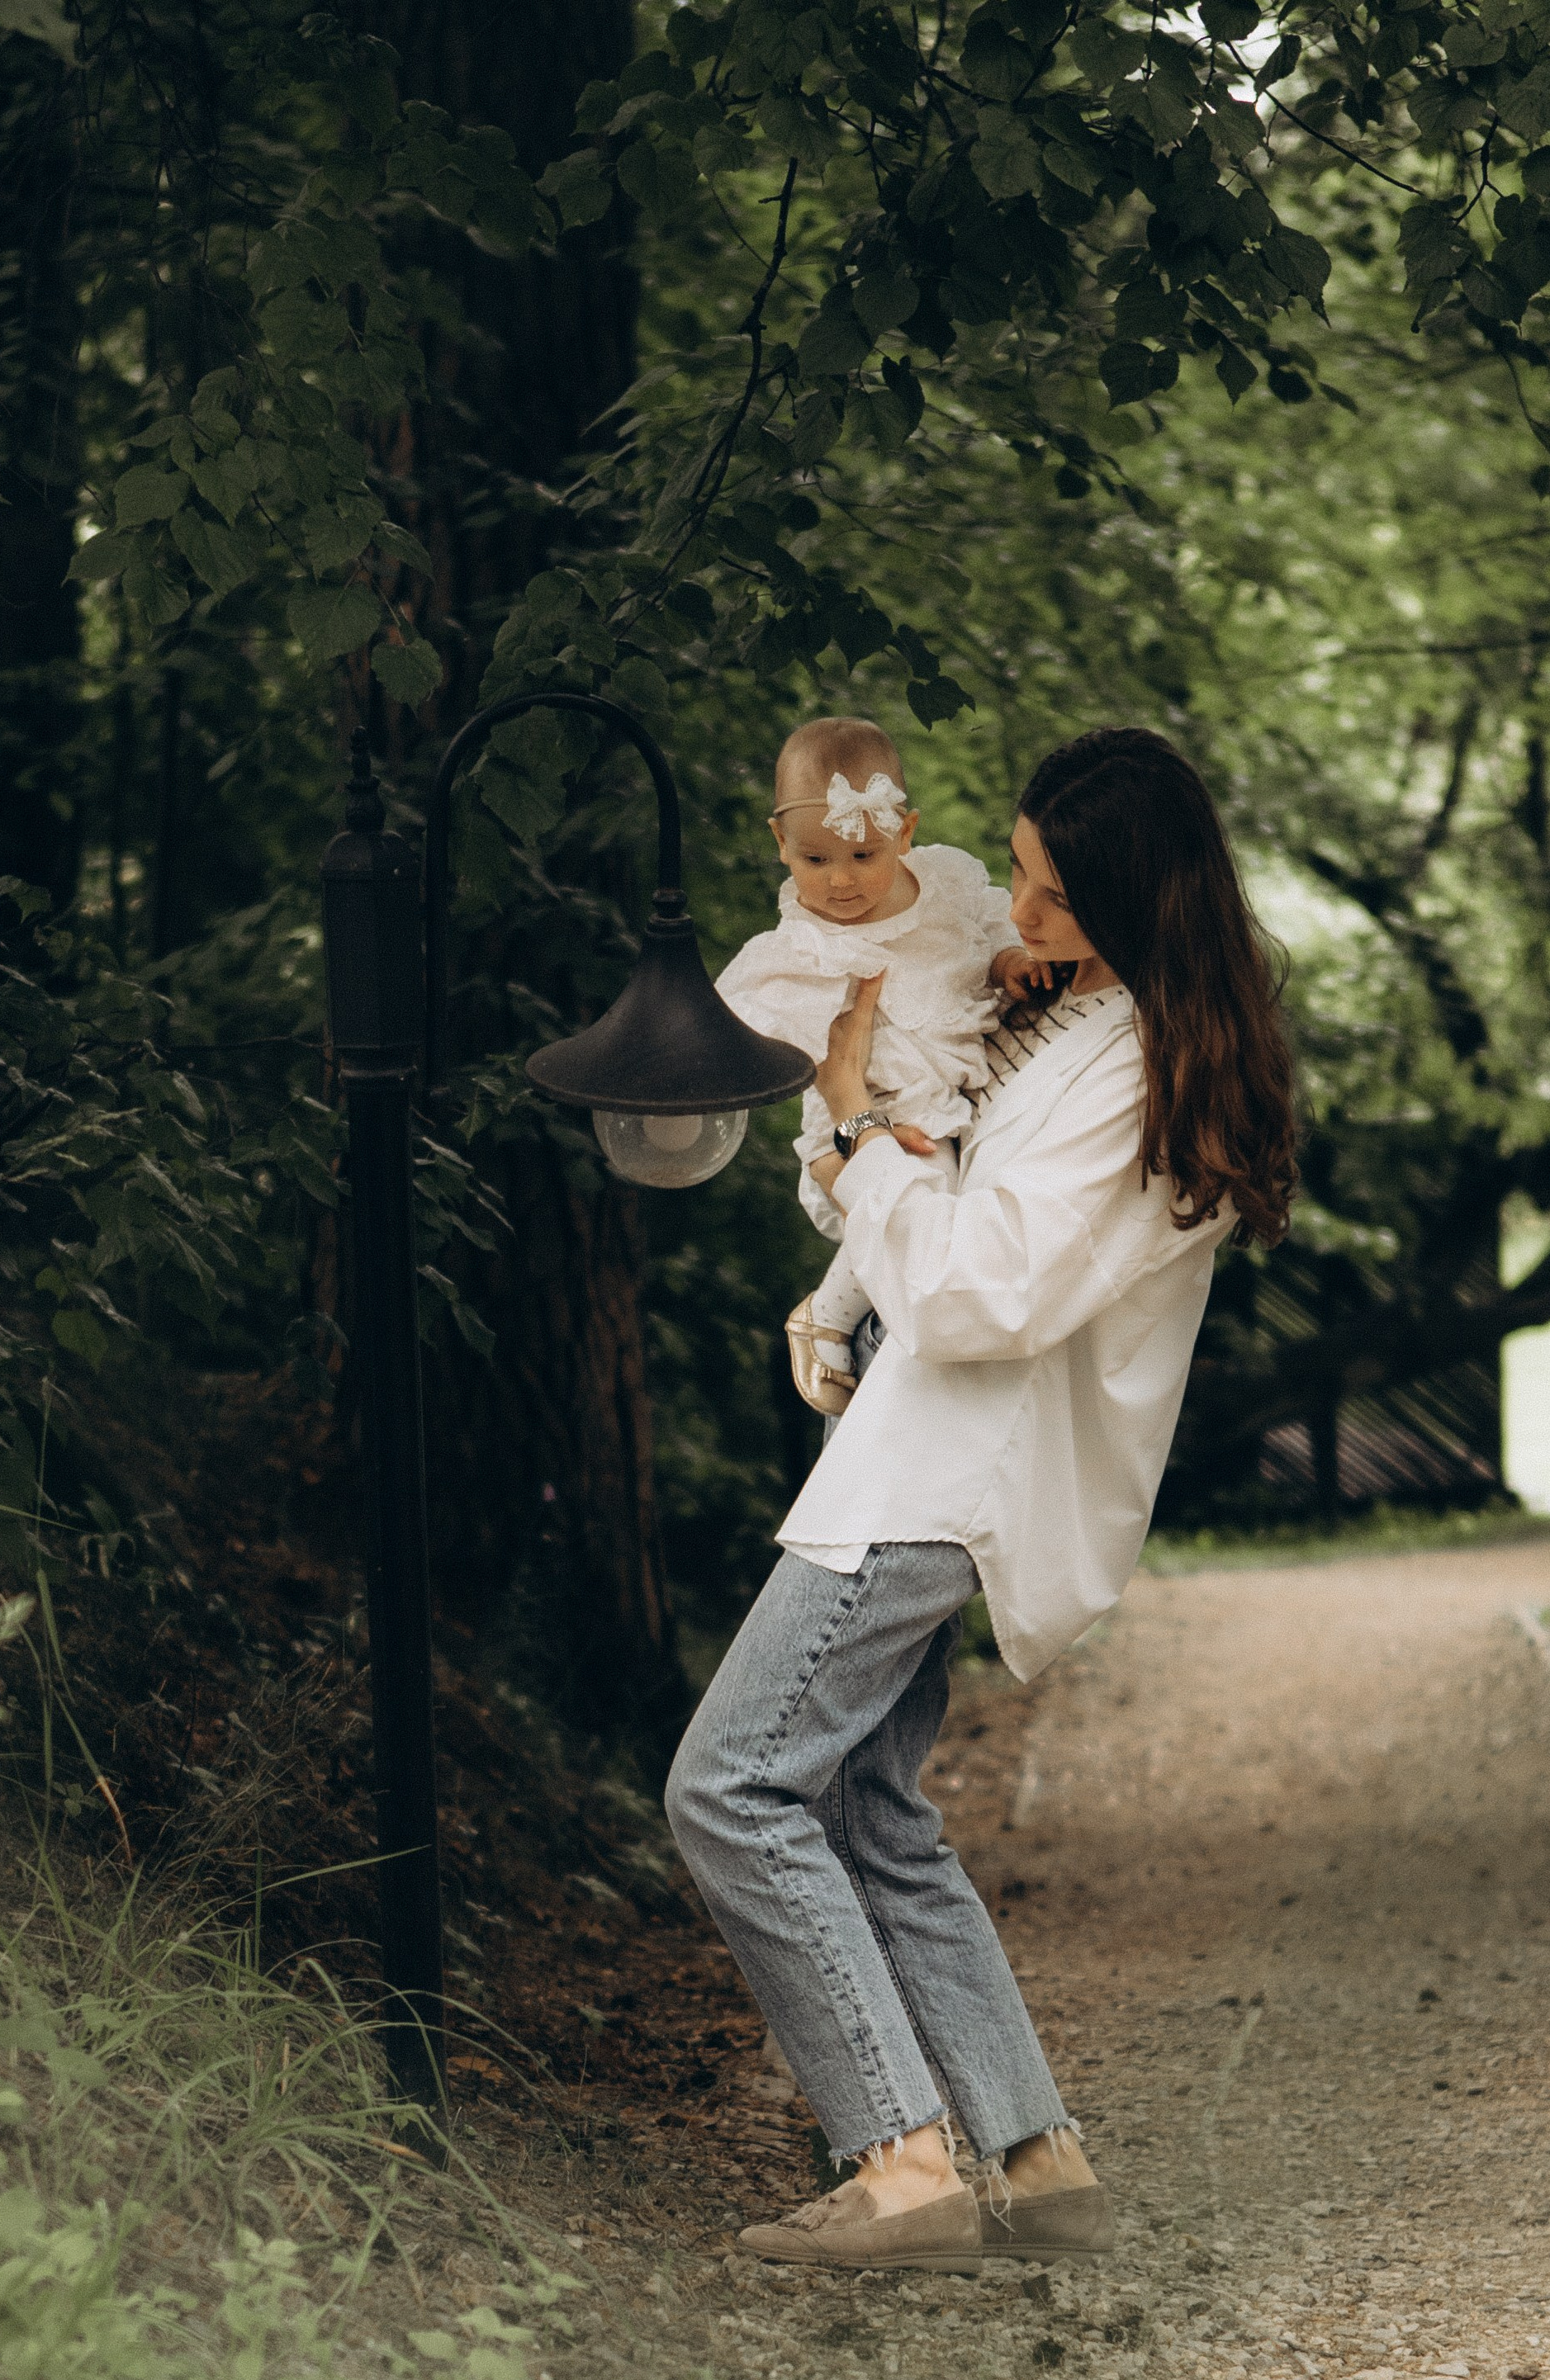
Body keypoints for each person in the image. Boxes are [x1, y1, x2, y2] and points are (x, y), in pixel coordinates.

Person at [666, 727, 1297, 2273]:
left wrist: (853, 1127)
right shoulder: (1073, 1014)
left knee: (728, 1786)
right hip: (921, 1442)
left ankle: (895, 2162)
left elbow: (968, 1288)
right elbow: (921, 1186)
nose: (1011, 912)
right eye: (1012, 871)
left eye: (1049, 894)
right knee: (872, 1805)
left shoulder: (1137, 1063)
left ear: (1138, 907)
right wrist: (838, 1252)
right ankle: (1033, 2149)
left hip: (945, 1471)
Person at [715, 716, 1051, 1416]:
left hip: (949, 1104)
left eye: (865, 856)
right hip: (864, 1121)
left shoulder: (947, 886)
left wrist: (1010, 962)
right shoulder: (801, 947)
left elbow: (992, 927)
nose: (840, 882)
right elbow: (732, 1029)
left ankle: (889, 1347)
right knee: (925, 1190)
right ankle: (827, 1317)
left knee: (952, 1204)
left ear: (905, 832)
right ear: (780, 844)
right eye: (816, 861)